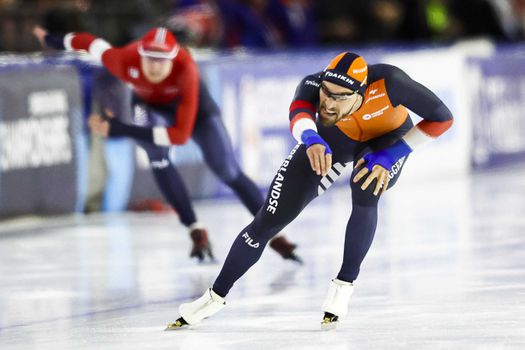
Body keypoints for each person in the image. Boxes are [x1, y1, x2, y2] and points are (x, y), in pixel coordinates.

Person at [166, 52, 454, 330]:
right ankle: (214, 296)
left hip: (385, 143)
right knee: (269, 218)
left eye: (339, 97)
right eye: (327, 93)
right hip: (330, 142)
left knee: (365, 187)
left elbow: (442, 117)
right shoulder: (312, 85)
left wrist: (394, 154)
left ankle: (343, 285)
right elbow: (299, 113)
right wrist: (310, 137)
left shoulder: (390, 82)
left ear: (361, 93)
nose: (328, 103)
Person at [32, 26, 300, 263]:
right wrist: (53, 39)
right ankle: (194, 228)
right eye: (150, 58)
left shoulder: (186, 70)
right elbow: (90, 43)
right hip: (148, 106)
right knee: (157, 156)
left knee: (227, 170)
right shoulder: (124, 59)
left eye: (162, 60)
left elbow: (180, 136)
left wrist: (120, 128)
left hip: (194, 112)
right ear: (141, 54)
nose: (156, 67)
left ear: (173, 59)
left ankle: (272, 231)